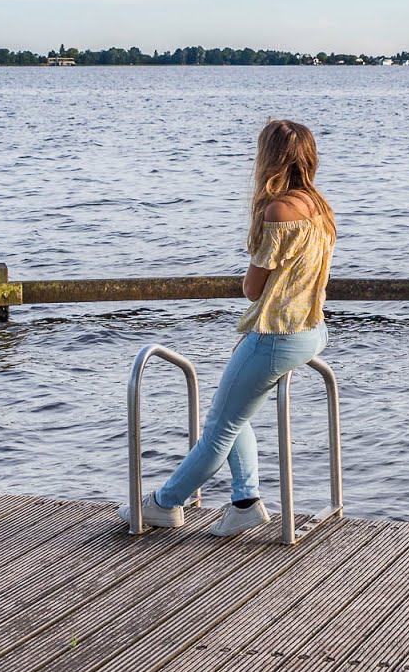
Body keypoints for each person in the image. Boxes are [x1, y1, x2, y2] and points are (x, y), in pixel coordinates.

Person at [120, 118, 337, 536]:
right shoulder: (320, 208)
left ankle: (164, 503)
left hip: (276, 337)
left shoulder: (279, 211)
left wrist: (249, 281)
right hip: (311, 331)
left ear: (268, 159)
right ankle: (245, 502)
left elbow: (254, 289)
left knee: (217, 430)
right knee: (236, 415)